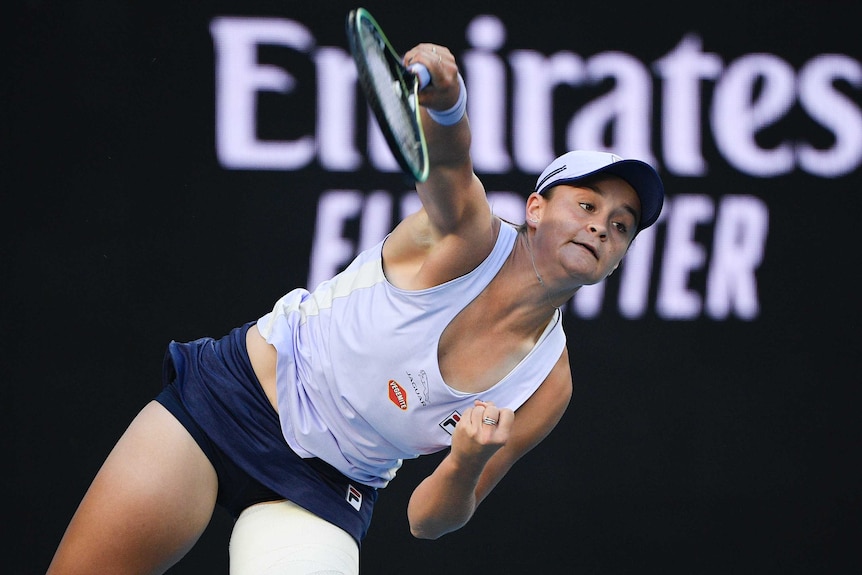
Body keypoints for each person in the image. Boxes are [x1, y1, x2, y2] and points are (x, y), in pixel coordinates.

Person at [46, 41, 664, 575]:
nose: (602, 228)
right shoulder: (467, 237)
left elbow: (429, 521)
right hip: (232, 400)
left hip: (324, 491)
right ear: (535, 208)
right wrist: (445, 102)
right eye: (586, 205)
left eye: (621, 224)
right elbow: (447, 160)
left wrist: (469, 461)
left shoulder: (548, 385)